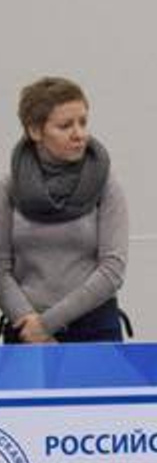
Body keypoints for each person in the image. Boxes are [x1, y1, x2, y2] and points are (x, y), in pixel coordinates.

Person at [0, 76, 128, 345]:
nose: (79, 134)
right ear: (35, 131)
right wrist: (29, 324)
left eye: (83, 122)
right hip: (26, 331)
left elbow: (113, 269)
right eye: (65, 125)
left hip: (95, 331)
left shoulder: (106, 184)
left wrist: (47, 324)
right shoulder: (8, 188)